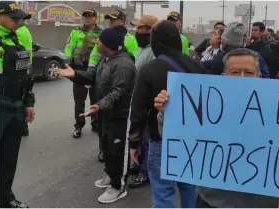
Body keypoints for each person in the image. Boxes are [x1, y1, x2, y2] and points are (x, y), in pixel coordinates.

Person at [153, 48, 279, 208]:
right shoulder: (208, 106)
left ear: (259, 76)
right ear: (223, 77)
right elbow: (177, 140)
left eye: (248, 72)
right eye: (235, 72)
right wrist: (168, 112)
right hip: (211, 202)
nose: (242, 78)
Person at [127, 20, 207, 208]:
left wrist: (134, 143)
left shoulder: (150, 69)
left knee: (163, 191)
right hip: (192, 141)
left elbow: (138, 110)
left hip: (162, 140)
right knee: (189, 187)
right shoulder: (197, 66)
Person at [54, 25, 136, 203]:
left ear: (108, 45)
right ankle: (110, 175)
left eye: (99, 41)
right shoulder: (105, 59)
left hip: (120, 116)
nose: (96, 43)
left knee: (117, 151)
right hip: (106, 112)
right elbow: (92, 76)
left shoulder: (123, 65)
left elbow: (118, 92)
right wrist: (74, 74)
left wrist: (99, 105)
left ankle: (118, 186)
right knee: (106, 146)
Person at [88, 9, 137, 162]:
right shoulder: (105, 52)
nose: (111, 22)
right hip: (104, 101)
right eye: (109, 20)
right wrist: (75, 75)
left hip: (116, 105)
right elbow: (94, 63)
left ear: (122, 20)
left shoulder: (128, 43)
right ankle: (107, 162)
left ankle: (116, 179)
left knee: (115, 142)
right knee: (104, 134)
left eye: (114, 20)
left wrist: (101, 104)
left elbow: (121, 85)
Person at [0, 1, 35, 207]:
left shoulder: (17, 39)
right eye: (15, 18)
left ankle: (5, 198)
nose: (19, 22)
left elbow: (25, 75)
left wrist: (28, 102)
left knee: (9, 158)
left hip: (15, 107)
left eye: (21, 18)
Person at [127, 14, 159, 188]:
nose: (137, 31)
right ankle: (138, 164)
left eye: (141, 28)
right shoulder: (142, 47)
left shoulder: (154, 50)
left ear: (150, 30)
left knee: (146, 139)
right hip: (137, 98)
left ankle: (145, 172)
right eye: (137, 28)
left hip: (147, 103)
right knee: (137, 136)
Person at [64, 9, 103, 138]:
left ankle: (96, 123)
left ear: (96, 18)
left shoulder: (102, 33)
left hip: (96, 70)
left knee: (96, 99)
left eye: (90, 16)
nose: (87, 19)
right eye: (85, 16)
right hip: (80, 70)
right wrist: (67, 65)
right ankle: (79, 126)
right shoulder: (76, 32)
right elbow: (69, 47)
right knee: (79, 100)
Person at [16, 17, 32, 137]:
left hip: (20, 69)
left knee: (18, 99)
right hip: (26, 67)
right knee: (22, 98)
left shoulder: (18, 31)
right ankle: (24, 127)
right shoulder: (25, 30)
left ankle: (22, 127)